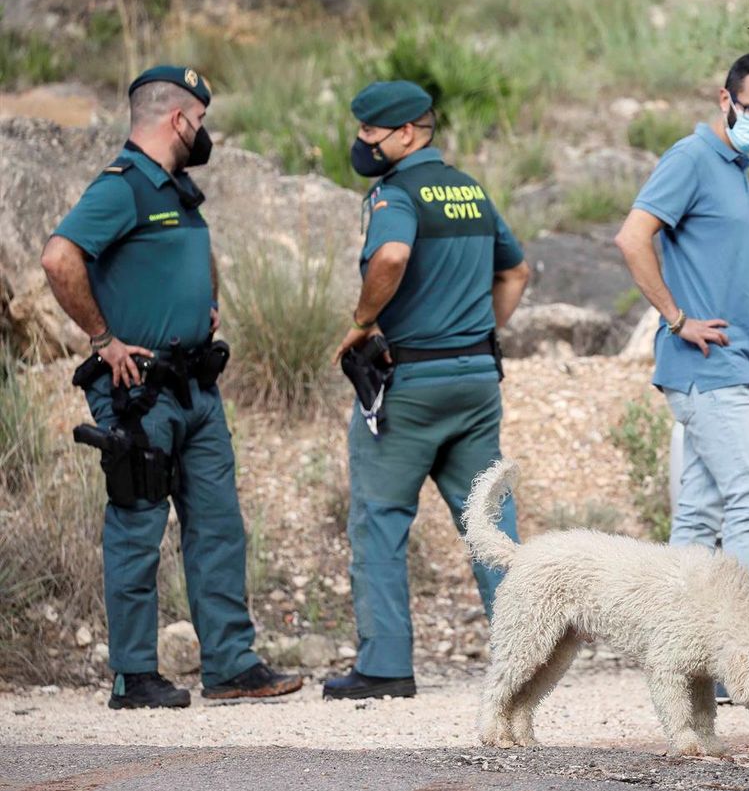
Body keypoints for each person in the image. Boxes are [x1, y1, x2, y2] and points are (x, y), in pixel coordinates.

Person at [40, 65, 303, 709]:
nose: (205, 132)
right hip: (138, 393)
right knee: (137, 528)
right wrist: (103, 340)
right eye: (202, 120)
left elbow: (192, 258)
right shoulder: (122, 187)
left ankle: (231, 666)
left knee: (217, 527)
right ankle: (135, 676)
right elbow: (58, 257)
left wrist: (207, 302)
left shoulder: (178, 190)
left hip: (196, 387)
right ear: (179, 120)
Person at [613, 51, 749, 704]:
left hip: (734, 365)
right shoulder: (691, 159)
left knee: (701, 515)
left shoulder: (738, 172)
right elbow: (632, 237)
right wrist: (677, 317)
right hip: (702, 371)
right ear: (725, 99)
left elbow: (728, 273)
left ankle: (677, 663)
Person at [323, 80, 533, 700]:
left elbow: (388, 259)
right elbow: (516, 270)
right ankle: (523, 656)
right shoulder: (471, 190)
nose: (361, 142)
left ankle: (385, 666)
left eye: (370, 132)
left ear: (408, 133)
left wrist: (362, 323)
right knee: (490, 517)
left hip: (410, 384)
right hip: (475, 379)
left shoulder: (396, 194)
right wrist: (479, 334)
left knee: (380, 518)